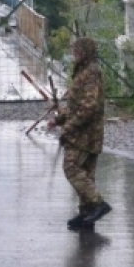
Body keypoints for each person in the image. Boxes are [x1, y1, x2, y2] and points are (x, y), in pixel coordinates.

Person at [53, 37, 111, 230]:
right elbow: (76, 105)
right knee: (85, 172)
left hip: (85, 134)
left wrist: (68, 127)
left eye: (76, 50)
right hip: (85, 133)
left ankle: (97, 203)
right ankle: (87, 213)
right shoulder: (82, 72)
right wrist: (59, 119)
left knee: (71, 168)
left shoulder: (91, 73)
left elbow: (89, 106)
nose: (73, 54)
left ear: (84, 53)